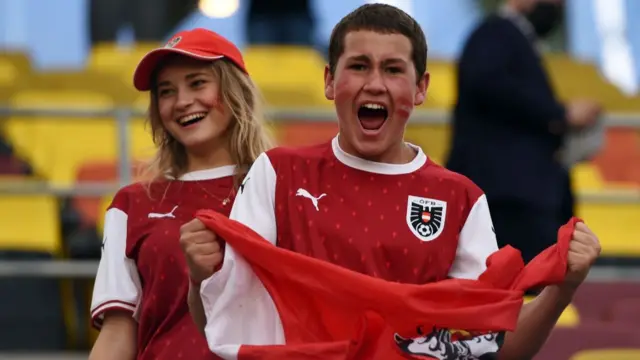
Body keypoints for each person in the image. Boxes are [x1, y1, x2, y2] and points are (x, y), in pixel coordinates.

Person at [180, 4, 601, 359]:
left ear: (420, 88)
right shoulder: (278, 174)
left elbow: (490, 349)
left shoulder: (460, 198)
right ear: (330, 81)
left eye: (393, 69)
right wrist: (199, 280)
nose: (375, 83)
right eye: (359, 66)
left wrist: (563, 288)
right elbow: (224, 327)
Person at [88, 28, 273, 360]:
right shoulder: (131, 204)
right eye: (166, 91)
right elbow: (117, 334)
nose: (182, 101)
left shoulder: (282, 188)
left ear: (234, 90)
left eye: (198, 83)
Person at [446, 0, 602, 269]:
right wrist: (559, 114)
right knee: (517, 293)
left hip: (519, 197)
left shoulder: (513, 39)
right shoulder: (496, 32)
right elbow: (486, 82)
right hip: (508, 198)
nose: (559, 6)